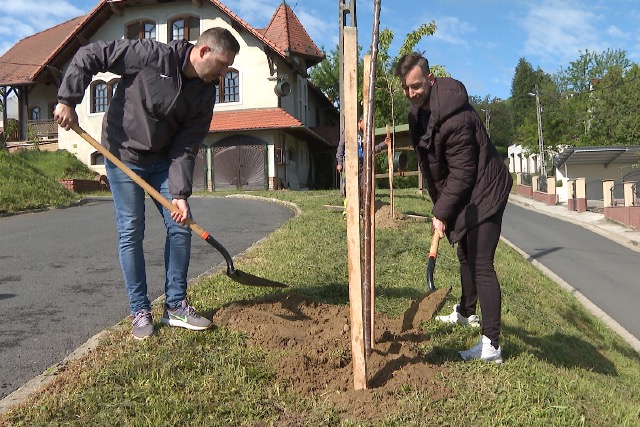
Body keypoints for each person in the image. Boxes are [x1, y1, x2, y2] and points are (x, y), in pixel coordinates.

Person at [54, 28, 241, 340]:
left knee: (181, 224)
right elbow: (90, 55)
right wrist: (68, 99)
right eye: (222, 65)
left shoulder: (206, 93)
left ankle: (176, 306)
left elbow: (186, 145)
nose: (223, 74)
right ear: (203, 51)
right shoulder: (152, 55)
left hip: (163, 161)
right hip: (122, 154)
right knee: (132, 229)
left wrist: (179, 193)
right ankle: (140, 311)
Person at [394, 52, 512, 363]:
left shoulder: (457, 117)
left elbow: (463, 172)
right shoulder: (417, 113)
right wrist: (444, 208)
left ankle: (492, 346)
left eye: (416, 86)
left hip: (486, 190)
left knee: (481, 263)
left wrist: (440, 213)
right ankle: (466, 312)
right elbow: (431, 164)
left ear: (430, 80)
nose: (411, 93)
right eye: (406, 88)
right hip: (465, 192)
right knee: (464, 252)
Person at [336, 115, 387, 200]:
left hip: (362, 164)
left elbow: (371, 150)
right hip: (351, 164)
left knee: (363, 186)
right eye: (366, 123)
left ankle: (363, 208)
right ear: (360, 121)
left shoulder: (365, 135)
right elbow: (340, 147)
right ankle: (350, 208)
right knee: (350, 188)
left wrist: (383, 144)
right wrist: (340, 163)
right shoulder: (348, 132)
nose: (367, 126)